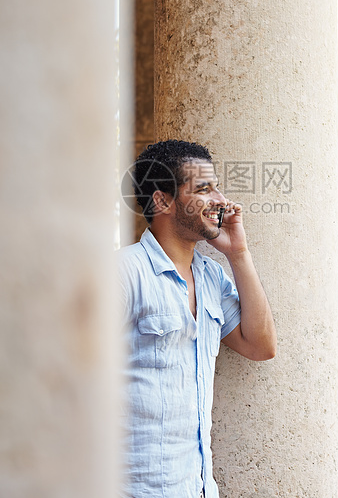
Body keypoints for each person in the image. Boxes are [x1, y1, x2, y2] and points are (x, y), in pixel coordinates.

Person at [117, 139, 277, 498]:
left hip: (197, 488)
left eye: (216, 186)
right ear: (163, 201)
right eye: (204, 189)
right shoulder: (123, 274)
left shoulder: (212, 278)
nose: (220, 199)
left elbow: (261, 345)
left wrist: (239, 254)